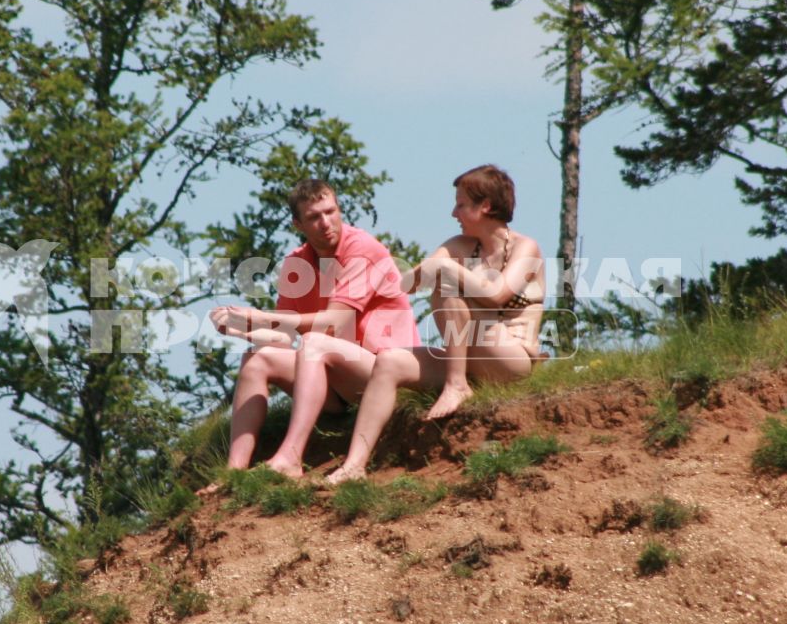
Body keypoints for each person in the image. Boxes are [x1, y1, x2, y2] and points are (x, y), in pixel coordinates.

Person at [323, 164, 545, 484]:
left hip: (509, 357)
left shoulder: (526, 248)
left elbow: (497, 295)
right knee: (389, 361)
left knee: (447, 283)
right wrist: (428, 267)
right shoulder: (459, 245)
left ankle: (456, 385)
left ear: (485, 206)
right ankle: (354, 464)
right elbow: (407, 285)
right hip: (466, 354)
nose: (453, 211)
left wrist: (444, 269)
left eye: (461, 204)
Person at [206, 179, 419, 482]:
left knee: (316, 341)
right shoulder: (296, 262)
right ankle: (233, 473)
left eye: (330, 212)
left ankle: (291, 458)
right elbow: (284, 336)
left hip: (386, 376)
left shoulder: (362, 249)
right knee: (257, 357)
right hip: (336, 379)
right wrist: (243, 327)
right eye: (313, 217)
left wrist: (262, 316)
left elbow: (333, 321)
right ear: (298, 224)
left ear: (339, 209)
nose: (325, 222)